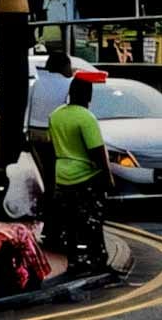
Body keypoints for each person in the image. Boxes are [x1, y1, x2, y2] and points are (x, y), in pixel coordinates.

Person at [49, 77, 112, 273]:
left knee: (69, 221)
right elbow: (96, 151)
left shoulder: (56, 115)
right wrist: (107, 176)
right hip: (85, 175)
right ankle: (97, 260)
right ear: (88, 95)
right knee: (92, 220)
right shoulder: (86, 118)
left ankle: (74, 261)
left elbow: (51, 145)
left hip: (61, 173)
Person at [28, 53, 73, 191]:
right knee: (57, 167)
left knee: (44, 168)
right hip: (57, 132)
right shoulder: (69, 84)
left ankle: (46, 193)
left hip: (35, 131)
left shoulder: (36, 83)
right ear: (64, 66)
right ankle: (54, 194)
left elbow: (27, 108)